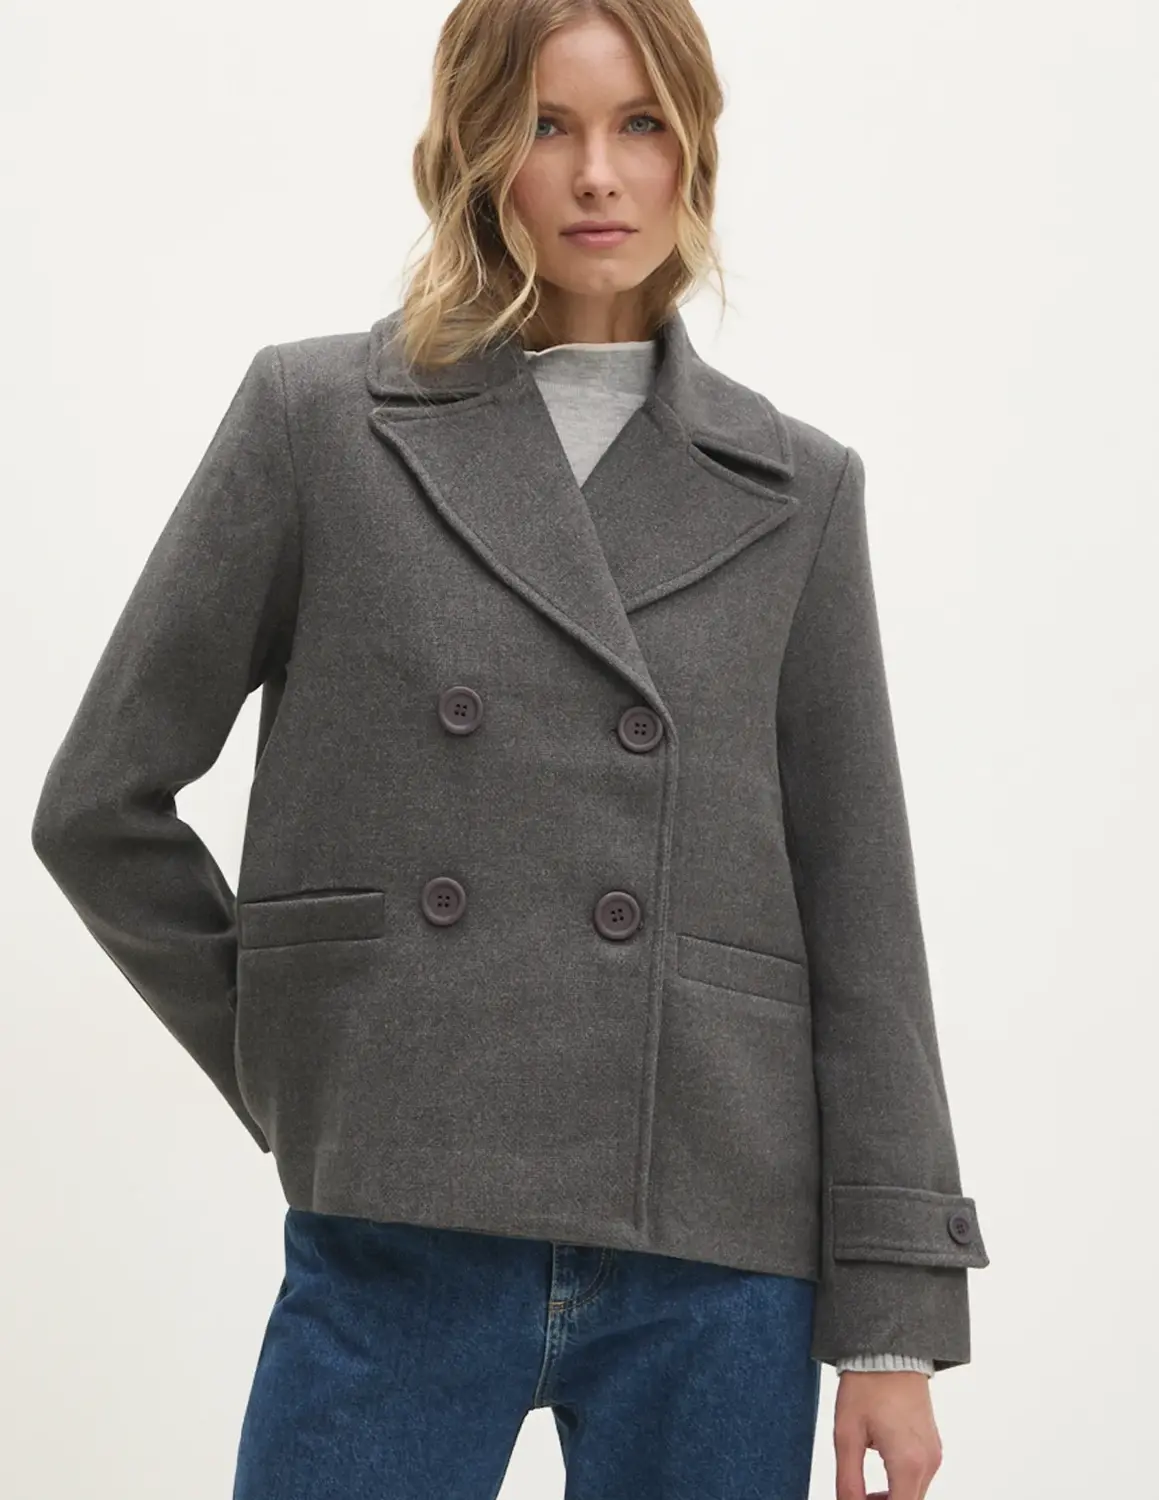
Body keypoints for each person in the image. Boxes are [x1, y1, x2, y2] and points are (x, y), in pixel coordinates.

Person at [29, 1, 990, 1497]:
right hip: (397, 1230)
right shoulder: (319, 423)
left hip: (715, 1254)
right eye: (548, 125)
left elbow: (863, 919)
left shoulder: (796, 489)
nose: (598, 172)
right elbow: (98, 806)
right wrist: (305, 1057)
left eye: (640, 124)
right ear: (478, 151)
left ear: (692, 152)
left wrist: (894, 1323)